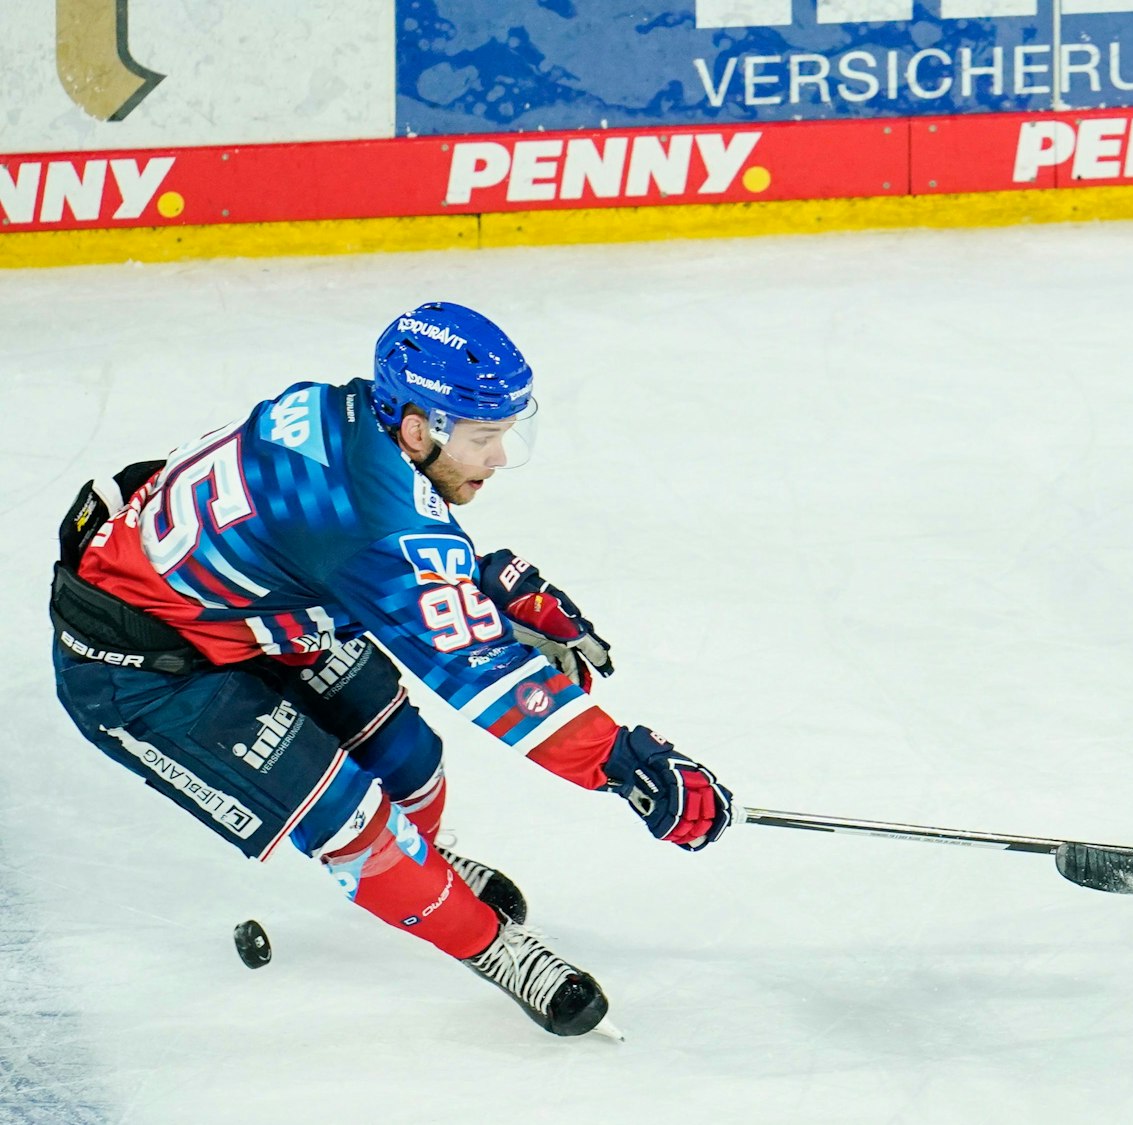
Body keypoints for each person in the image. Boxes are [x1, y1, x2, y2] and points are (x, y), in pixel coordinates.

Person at [48, 301, 733, 1034]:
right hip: (142, 671)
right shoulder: (377, 522)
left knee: (408, 755)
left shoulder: (342, 409)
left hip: (239, 612)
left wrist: (479, 584)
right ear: (415, 429)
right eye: (484, 437)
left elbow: (343, 541)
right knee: (355, 822)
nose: (500, 457)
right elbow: (487, 675)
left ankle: (424, 868)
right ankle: (491, 945)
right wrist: (624, 763)